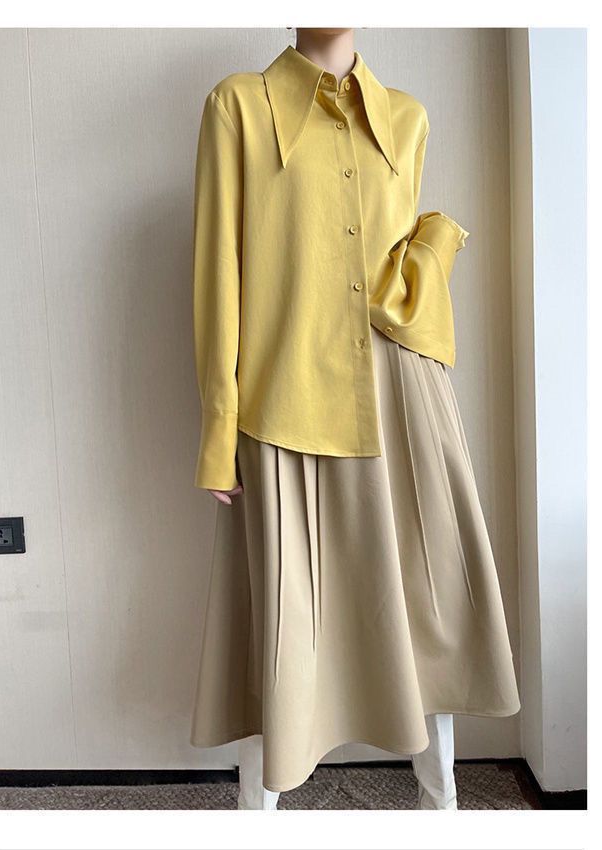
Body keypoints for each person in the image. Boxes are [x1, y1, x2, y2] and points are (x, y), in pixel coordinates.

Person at [189, 27, 521, 810]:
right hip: (282, 403)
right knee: (281, 622)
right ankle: (257, 817)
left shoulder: (407, 116)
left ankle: (442, 806)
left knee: (424, 611)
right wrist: (219, 431)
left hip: (402, 398)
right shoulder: (238, 107)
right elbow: (218, 273)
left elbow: (399, 267)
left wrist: (434, 250)